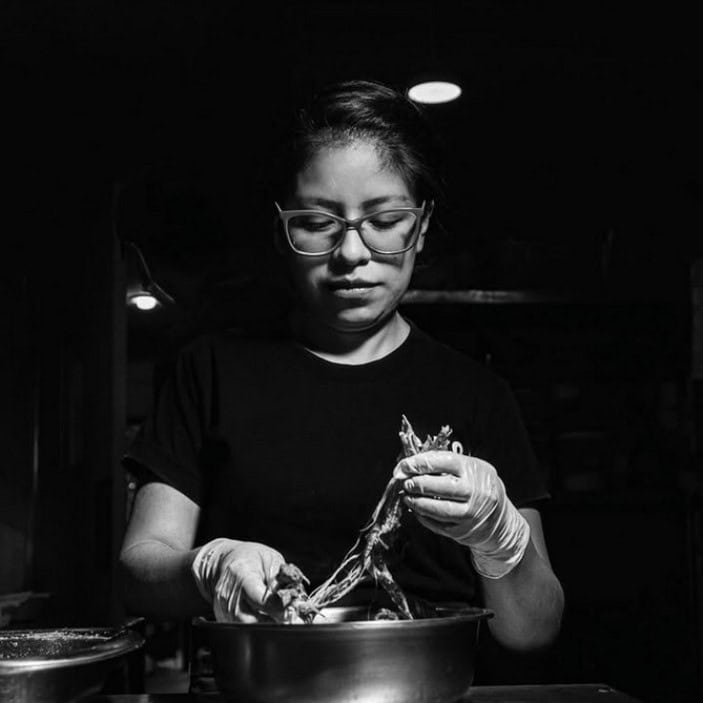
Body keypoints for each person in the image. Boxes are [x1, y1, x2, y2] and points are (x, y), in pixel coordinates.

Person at [119, 78, 564, 651]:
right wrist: (209, 565)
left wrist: (501, 539)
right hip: (258, 683)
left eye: (383, 221)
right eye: (317, 223)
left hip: (426, 684)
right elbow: (138, 570)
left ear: (422, 225)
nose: (351, 254)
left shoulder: (476, 394)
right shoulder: (209, 372)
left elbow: (535, 629)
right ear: (282, 229)